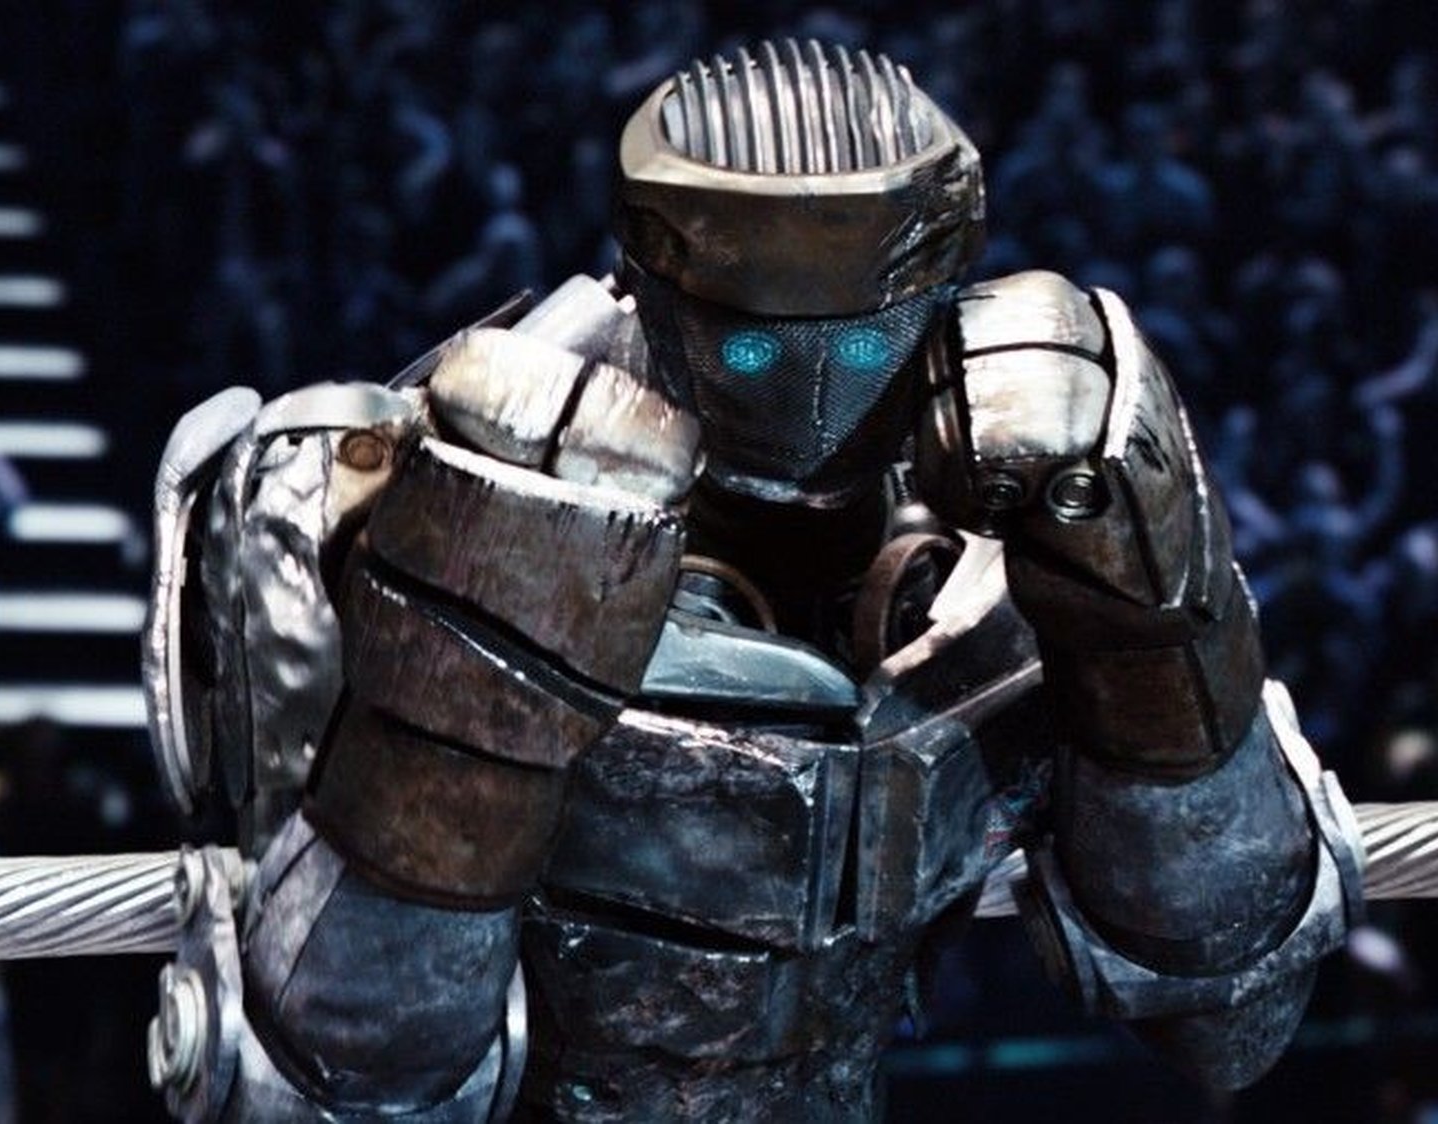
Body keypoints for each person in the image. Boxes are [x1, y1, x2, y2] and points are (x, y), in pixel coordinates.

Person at [141, 44, 1360, 1122]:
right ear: (652, 282)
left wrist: (1148, 619)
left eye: (867, 343)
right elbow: (336, 1077)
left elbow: (1228, 998)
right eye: (750, 346)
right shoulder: (367, 487)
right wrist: (464, 682)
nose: (812, 398)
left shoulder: (1016, 496)